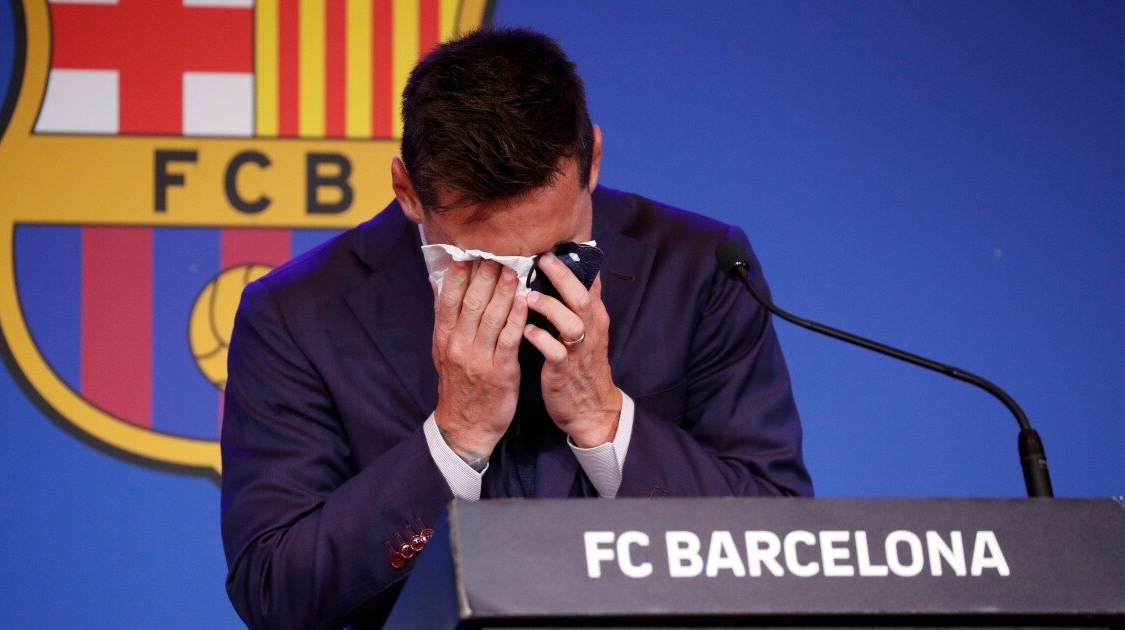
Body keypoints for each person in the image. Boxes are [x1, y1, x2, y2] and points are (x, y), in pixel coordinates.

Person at [221, 27, 812, 629]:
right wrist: (455, 438)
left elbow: (780, 542)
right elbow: (274, 589)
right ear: (408, 192)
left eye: (556, 249)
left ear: (593, 160)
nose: (523, 285)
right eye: (484, 263)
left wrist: (605, 419)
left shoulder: (699, 267)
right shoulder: (297, 314)